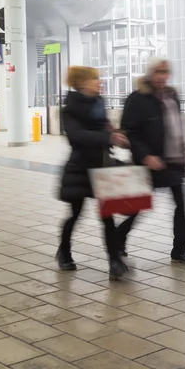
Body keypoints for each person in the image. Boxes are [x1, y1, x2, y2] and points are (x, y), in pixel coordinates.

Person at [121, 57, 185, 266]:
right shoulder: (138, 98)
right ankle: (118, 239)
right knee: (137, 206)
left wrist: (184, 154)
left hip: (173, 161)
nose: (162, 76)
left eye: (165, 72)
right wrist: (145, 155)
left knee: (181, 205)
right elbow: (130, 132)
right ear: (149, 74)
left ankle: (180, 249)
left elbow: (177, 127)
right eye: (157, 72)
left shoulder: (172, 95)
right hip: (149, 163)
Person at [58, 66, 132, 280]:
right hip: (80, 168)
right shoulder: (70, 108)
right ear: (81, 83)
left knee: (107, 217)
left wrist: (116, 135)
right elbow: (76, 136)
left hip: (102, 167)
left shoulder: (99, 103)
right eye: (95, 79)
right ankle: (64, 251)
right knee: (75, 215)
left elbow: (103, 130)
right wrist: (107, 138)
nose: (100, 82)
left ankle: (114, 262)